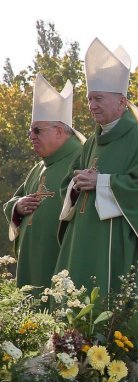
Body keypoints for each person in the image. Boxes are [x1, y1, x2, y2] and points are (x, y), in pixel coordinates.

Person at [55, 39, 138, 322]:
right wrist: (77, 185)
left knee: (113, 313)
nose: (92, 105)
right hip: (84, 237)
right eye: (89, 99)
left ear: (122, 102)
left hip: (119, 239)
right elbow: (69, 183)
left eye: (98, 98)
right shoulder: (90, 144)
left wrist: (101, 183)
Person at [3, 75, 83, 295]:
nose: (31, 136)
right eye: (30, 131)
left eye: (37, 130)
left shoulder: (82, 159)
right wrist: (18, 207)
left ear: (59, 130)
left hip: (60, 260)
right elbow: (11, 202)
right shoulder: (39, 167)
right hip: (31, 262)